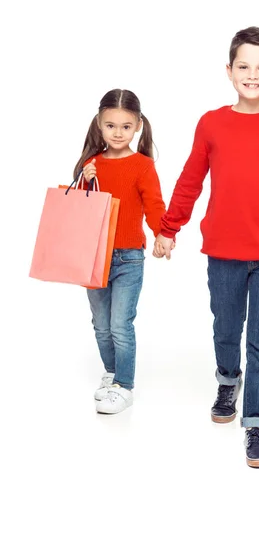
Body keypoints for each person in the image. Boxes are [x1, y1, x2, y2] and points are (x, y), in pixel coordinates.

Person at [153, 26, 259, 467]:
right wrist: (169, 227)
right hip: (225, 251)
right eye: (244, 66)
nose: (254, 75)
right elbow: (192, 178)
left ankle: (256, 425)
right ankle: (228, 380)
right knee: (227, 329)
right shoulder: (212, 122)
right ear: (229, 72)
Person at [74, 89, 167, 414]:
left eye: (125, 126)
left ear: (137, 125)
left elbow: (154, 203)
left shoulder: (142, 165)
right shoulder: (92, 164)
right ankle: (112, 373)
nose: (117, 132)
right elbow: (81, 209)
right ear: (99, 124)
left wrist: (162, 234)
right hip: (94, 255)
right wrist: (86, 181)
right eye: (110, 125)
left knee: (120, 325)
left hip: (129, 256)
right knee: (101, 324)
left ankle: (124, 386)